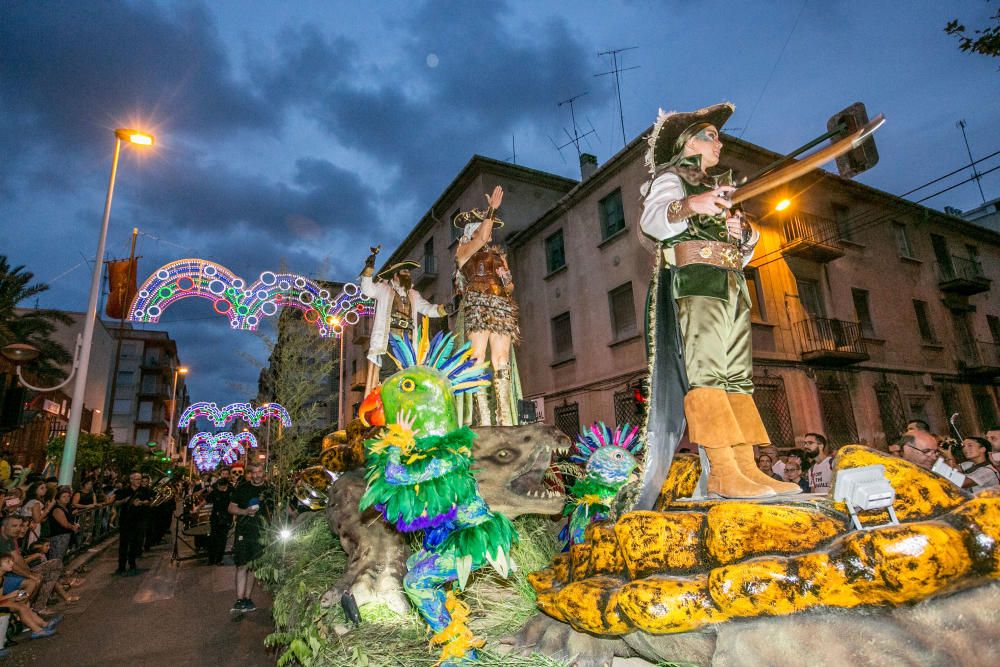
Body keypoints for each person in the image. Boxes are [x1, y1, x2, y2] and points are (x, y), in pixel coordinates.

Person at [637, 103, 800, 503]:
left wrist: (741, 230)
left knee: (738, 379)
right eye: (710, 135)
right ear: (687, 142)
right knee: (708, 376)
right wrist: (692, 204)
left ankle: (747, 467)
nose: (719, 142)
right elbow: (652, 220)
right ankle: (724, 472)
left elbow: (743, 251)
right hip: (697, 285)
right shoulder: (673, 178)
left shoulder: (720, 186)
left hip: (731, 286)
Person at [454, 185, 520, 426]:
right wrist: (491, 209)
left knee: (501, 358)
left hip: (500, 304)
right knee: (478, 357)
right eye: (484, 226)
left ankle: (504, 417)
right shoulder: (464, 251)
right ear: (473, 230)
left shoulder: (498, 255)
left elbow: (510, 286)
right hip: (478, 303)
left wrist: (506, 280)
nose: (489, 232)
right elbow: (482, 237)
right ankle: (483, 416)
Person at [359, 250, 450, 396]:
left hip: (408, 343)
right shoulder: (383, 289)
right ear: (395, 275)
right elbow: (367, 289)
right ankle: (386, 399)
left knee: (405, 373)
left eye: (409, 272)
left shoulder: (414, 295)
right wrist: (368, 270)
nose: (408, 274)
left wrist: (443, 309)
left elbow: (427, 309)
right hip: (387, 340)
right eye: (405, 271)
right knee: (388, 372)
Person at [228, 462, 272, 612]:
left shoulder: (270, 490)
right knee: (241, 565)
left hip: (261, 533)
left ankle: (247, 598)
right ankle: (239, 599)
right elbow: (231, 508)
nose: (257, 475)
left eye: (259, 472)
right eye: (254, 472)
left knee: (253, 565)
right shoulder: (242, 488)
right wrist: (245, 512)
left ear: (263, 473)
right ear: (250, 473)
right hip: (243, 531)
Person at [0, 552, 58, 641]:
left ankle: (43, 624)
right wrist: (11, 595)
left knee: (24, 598)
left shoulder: (2, 577)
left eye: (11, 561)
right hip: (2, 601)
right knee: (21, 607)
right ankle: (37, 631)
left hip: (3, 600)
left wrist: (15, 597)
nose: (12, 563)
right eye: (8, 562)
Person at [114, 471, 153, 576]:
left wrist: (143, 502)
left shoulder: (144, 490)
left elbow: (150, 501)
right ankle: (121, 566)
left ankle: (132, 564)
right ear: (131, 480)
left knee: (135, 543)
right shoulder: (124, 490)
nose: (139, 481)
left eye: (140, 479)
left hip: (139, 520)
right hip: (126, 520)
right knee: (124, 544)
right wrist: (126, 501)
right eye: (136, 479)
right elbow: (116, 503)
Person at [205, 474, 234, 566]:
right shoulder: (215, 491)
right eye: (219, 487)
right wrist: (197, 508)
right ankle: (211, 559)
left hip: (226, 518)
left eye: (222, 487)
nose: (220, 488)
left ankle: (219, 559)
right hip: (215, 518)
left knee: (222, 540)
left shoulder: (231, 491)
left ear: (226, 486)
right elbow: (206, 500)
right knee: (212, 538)